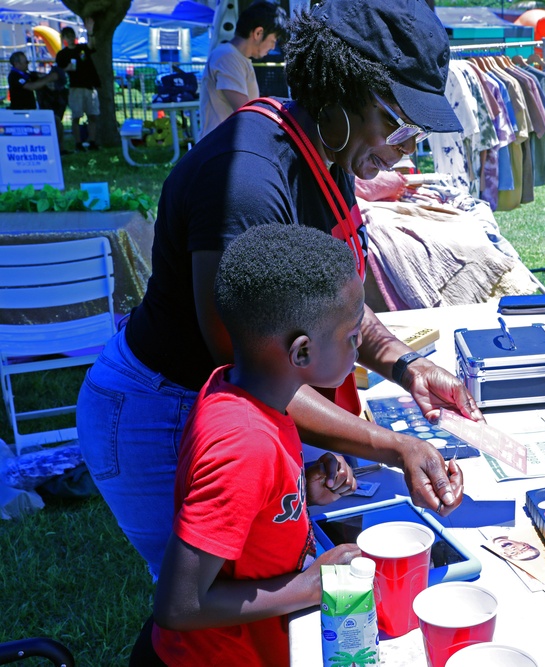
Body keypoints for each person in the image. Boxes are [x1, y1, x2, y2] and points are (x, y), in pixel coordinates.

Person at [77, 0, 478, 583]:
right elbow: (251, 366)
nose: (406, 147)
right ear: (342, 91)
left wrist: (407, 365)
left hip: (233, 409)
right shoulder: (247, 182)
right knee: (206, 612)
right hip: (161, 411)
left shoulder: (329, 151)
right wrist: (391, 445)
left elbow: (331, 305)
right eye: (399, 123)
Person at [125, 225, 364, 666]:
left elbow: (243, 503)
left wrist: (296, 493)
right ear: (302, 352)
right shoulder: (245, 444)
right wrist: (310, 586)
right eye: (352, 336)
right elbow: (179, 605)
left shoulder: (241, 387)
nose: (359, 344)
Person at [199, 0, 288, 139]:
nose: (272, 47)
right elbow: (245, 111)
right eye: (273, 40)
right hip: (218, 150)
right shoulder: (227, 56)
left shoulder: (237, 57)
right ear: (258, 33)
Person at [55, 17, 100, 152]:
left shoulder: (82, 48)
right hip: (75, 88)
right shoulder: (62, 54)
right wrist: (67, 68)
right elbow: (59, 70)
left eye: (71, 35)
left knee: (92, 115)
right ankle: (78, 143)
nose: (70, 38)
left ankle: (92, 141)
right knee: (76, 116)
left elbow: (92, 46)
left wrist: (90, 31)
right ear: (63, 38)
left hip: (89, 86)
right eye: (67, 36)